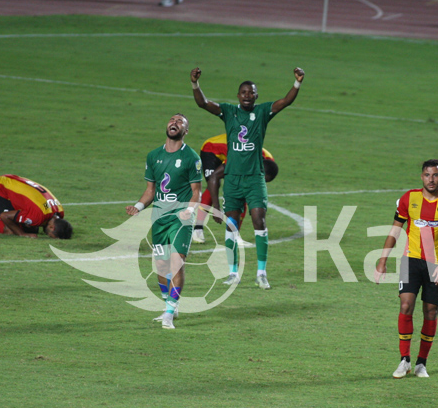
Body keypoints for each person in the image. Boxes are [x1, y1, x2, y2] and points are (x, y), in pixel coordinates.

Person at [190, 66, 304, 290]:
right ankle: (233, 273)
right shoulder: (229, 111)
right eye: (244, 92)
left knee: (259, 221)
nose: (248, 95)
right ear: (238, 96)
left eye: (251, 92)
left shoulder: (262, 112)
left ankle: (261, 273)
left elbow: (285, 102)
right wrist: (195, 84)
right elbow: (203, 103)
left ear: (256, 95)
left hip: (254, 178)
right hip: (232, 179)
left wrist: (297, 83)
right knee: (231, 226)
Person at [374, 159, 438, 379]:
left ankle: (422, 363)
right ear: (421, 176)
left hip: (435, 264)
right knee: (405, 305)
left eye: (435, 175)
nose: (431, 179)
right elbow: (395, 230)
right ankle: (405, 360)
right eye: (427, 175)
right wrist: (382, 260)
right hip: (410, 260)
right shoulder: (409, 198)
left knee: (430, 311)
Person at [125, 113, 202, 330]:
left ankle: (169, 312)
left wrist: (188, 211)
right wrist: (138, 207)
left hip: (181, 218)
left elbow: (197, 192)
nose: (174, 123)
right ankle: (169, 303)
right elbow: (151, 190)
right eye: (172, 120)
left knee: (176, 262)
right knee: (161, 264)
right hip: (159, 217)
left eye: (180, 122)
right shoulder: (153, 156)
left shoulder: (191, 158)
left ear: (185, 131)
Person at [192, 133, 279, 244]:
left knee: (242, 191)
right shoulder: (243, 159)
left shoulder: (269, 161)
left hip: (232, 151)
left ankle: (234, 235)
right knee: (213, 185)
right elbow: (214, 177)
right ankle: (197, 229)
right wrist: (216, 208)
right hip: (212, 149)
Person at [0, 174, 73, 239]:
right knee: (10, 230)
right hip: (1, 187)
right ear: (52, 228)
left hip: (13, 182)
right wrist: (22, 234)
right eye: (52, 236)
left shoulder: (59, 211)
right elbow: (5, 216)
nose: (49, 236)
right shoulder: (38, 216)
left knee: (30, 226)